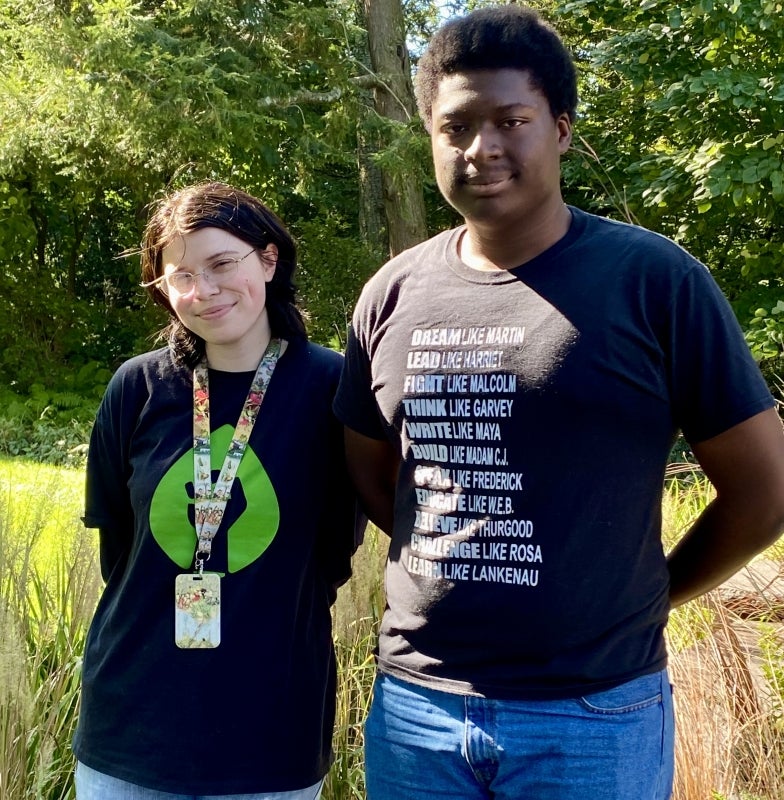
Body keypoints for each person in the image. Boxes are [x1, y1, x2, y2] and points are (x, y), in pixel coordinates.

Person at [333, 6, 784, 799]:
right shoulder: (392, 294)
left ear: (562, 129)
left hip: (592, 714)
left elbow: (765, 491)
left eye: (512, 120)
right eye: (456, 127)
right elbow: (377, 479)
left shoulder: (655, 283)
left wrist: (649, 595)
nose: (483, 149)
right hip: (416, 711)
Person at [74, 182, 361, 799]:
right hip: (132, 732)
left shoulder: (331, 388)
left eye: (221, 264)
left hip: (271, 733)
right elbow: (120, 551)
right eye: (180, 276)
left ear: (268, 259)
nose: (202, 292)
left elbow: (336, 548)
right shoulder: (138, 388)